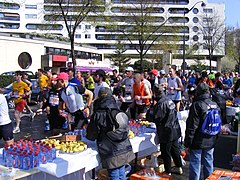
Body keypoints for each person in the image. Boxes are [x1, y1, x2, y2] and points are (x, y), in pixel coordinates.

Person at [86, 87, 135, 180]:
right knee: (121, 172)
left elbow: (91, 135)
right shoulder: (117, 108)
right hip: (123, 146)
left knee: (114, 174)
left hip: (110, 150)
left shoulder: (98, 113)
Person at [184, 83, 220, 180]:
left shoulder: (197, 105)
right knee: (208, 163)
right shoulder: (214, 105)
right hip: (210, 138)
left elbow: (192, 126)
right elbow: (218, 124)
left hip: (198, 141)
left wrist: (187, 143)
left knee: (195, 164)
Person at [146, 84, 183, 175]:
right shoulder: (169, 100)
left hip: (166, 131)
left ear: (155, 93)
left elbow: (155, 118)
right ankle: (179, 167)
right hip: (175, 128)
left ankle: (168, 171)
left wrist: (149, 113)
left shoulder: (160, 104)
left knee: (166, 152)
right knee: (175, 150)